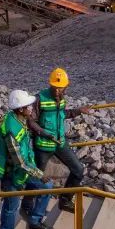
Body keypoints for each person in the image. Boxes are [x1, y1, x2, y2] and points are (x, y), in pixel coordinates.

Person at [0, 89, 54, 229]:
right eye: (28, 106)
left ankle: (34, 221)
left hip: (23, 170)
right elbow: (20, 163)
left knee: (47, 186)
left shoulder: (20, 119)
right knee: (11, 207)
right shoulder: (11, 131)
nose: (32, 107)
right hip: (12, 174)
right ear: (20, 109)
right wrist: (39, 174)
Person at [23, 67, 87, 215]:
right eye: (55, 87)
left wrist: (78, 111)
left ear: (66, 87)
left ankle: (65, 200)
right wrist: (43, 133)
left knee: (78, 169)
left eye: (61, 88)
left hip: (60, 143)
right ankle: (26, 206)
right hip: (43, 146)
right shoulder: (39, 99)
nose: (57, 90)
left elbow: (62, 114)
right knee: (37, 177)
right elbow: (31, 121)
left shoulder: (61, 99)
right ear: (50, 84)